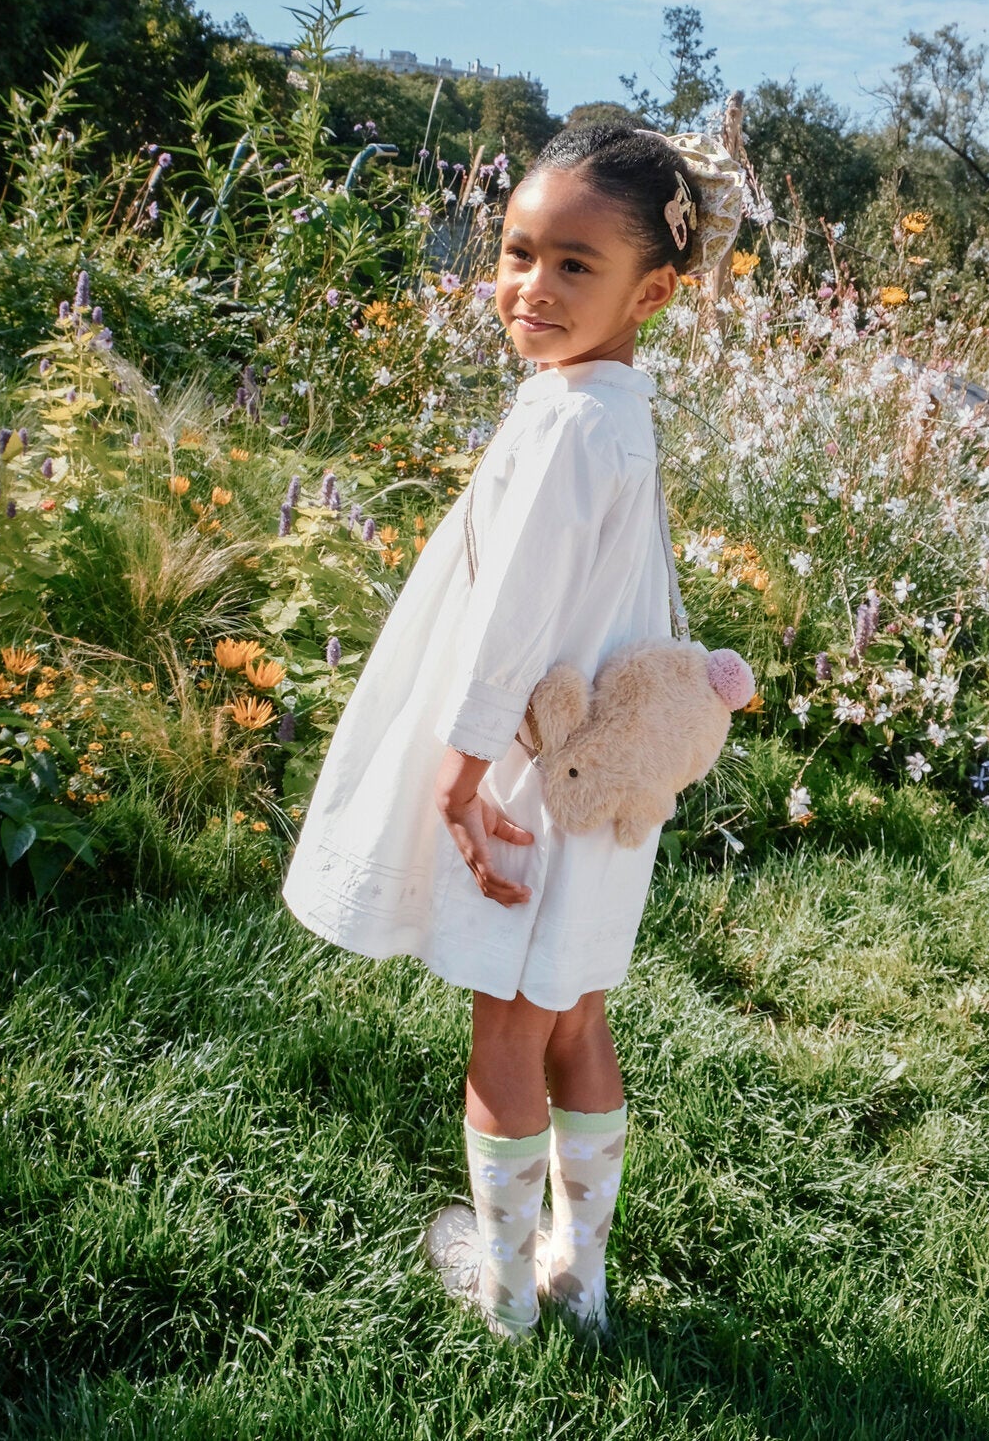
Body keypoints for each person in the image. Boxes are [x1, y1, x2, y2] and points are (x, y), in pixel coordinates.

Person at [281, 120, 745, 1339]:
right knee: (575, 1014)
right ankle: (576, 1281)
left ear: (652, 292)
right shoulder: (613, 410)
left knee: (506, 1030)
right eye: (517, 252)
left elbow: (515, 618)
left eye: (575, 265)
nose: (532, 286)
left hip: (538, 773)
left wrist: (461, 770)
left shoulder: (568, 424)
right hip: (607, 780)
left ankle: (504, 1298)